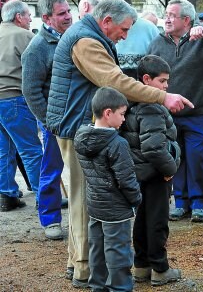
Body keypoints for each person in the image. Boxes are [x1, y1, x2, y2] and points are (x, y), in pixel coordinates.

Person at [46, 0, 192, 288]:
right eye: (123, 29)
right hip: (80, 129)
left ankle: (79, 263)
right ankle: (86, 270)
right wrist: (163, 97)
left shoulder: (87, 37)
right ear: (107, 21)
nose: (125, 36)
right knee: (89, 202)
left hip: (77, 126)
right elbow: (113, 81)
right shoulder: (86, 42)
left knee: (84, 200)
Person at [148, 0, 203, 222]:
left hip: (198, 113)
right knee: (175, 158)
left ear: (186, 20)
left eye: (172, 15)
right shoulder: (157, 43)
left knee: (196, 157)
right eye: (165, 14)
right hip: (169, 114)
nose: (166, 18)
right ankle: (181, 202)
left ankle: (199, 204)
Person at [120, 55, 182, 285]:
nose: (166, 87)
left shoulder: (131, 103)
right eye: (163, 81)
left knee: (142, 219)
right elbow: (154, 147)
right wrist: (170, 169)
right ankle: (160, 268)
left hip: (139, 173)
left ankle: (142, 265)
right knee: (157, 220)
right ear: (146, 79)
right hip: (156, 173)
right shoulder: (152, 108)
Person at [74, 87, 141, 292]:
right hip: (116, 210)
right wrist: (136, 199)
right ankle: (120, 288)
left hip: (95, 207)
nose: (124, 119)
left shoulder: (81, 138)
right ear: (108, 113)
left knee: (97, 251)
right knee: (118, 253)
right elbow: (126, 179)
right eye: (122, 114)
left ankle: (98, 287)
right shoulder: (117, 143)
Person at [21, 0, 72, 240]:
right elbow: (30, 91)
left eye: (68, 11)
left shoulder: (72, 39)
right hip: (55, 121)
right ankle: (50, 219)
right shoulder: (37, 49)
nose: (68, 16)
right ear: (46, 18)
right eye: (61, 14)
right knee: (51, 169)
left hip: (76, 117)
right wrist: (48, 120)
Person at [0, 0, 43, 212]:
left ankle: (7, 195)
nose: (29, 20)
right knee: (31, 150)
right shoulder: (24, 36)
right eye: (27, 16)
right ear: (18, 17)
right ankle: (43, 196)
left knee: (3, 149)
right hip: (13, 98)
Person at [107, 0, 160, 79]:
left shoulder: (150, 29)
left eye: (112, 5)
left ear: (127, 6)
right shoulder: (104, 29)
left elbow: (159, 65)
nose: (107, 9)